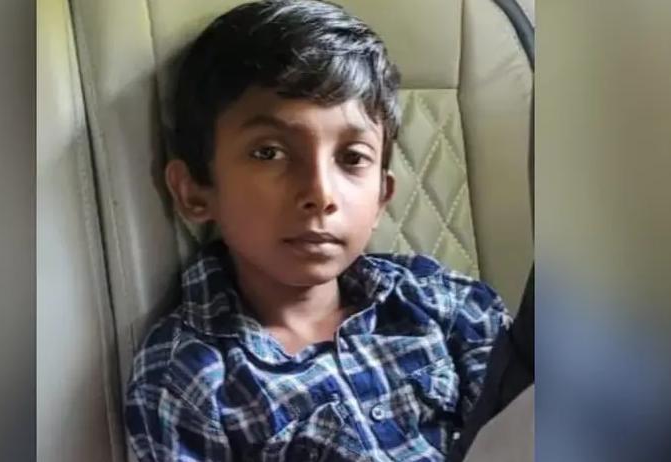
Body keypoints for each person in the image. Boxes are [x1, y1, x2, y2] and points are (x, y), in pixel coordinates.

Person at [124, 1, 511, 460]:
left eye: (352, 158)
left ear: (381, 197)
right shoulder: (186, 378)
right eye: (269, 153)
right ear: (194, 191)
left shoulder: (449, 306)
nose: (321, 193)